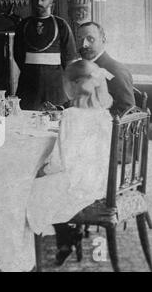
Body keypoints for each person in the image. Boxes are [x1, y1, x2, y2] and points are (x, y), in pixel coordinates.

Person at [26, 60, 113, 266]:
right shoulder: (104, 114)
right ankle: (70, 233)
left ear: (72, 85)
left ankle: (62, 240)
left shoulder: (71, 116)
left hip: (79, 184)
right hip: (101, 181)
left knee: (31, 190)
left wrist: (42, 170)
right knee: (45, 188)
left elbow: (59, 160)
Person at [14, 0, 78, 110]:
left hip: (55, 84)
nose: (38, 3)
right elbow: (18, 54)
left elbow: (70, 56)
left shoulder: (61, 25)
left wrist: (59, 79)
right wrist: (31, 71)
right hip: (29, 83)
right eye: (35, 0)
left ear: (51, 3)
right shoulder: (23, 25)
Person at [77, 22, 135, 115]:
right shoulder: (83, 67)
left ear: (103, 40)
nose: (84, 45)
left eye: (90, 39)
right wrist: (60, 108)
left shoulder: (116, 70)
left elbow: (127, 110)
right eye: (80, 40)